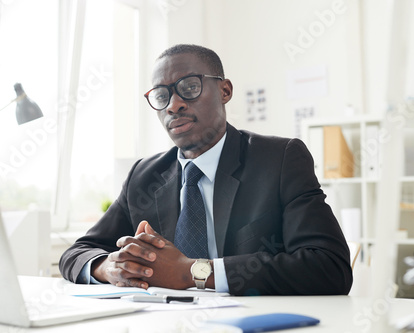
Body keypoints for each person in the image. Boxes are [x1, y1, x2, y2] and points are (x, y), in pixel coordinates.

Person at [59, 44, 353, 296]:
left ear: (224, 90)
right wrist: (108, 266)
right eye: (162, 96)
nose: (174, 105)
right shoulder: (144, 176)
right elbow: (76, 253)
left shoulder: (280, 159)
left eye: (189, 87)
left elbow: (329, 267)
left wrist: (193, 272)